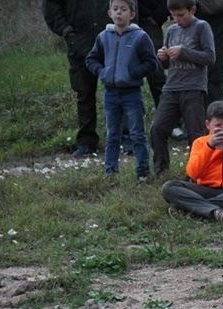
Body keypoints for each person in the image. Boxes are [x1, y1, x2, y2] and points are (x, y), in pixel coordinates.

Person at [85, 0, 160, 180]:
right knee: (112, 134)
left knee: (137, 134)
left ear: (131, 14)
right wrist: (102, 72)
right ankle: (110, 172)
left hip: (131, 94)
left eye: (124, 10)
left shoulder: (140, 37)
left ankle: (142, 173)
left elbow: (152, 63)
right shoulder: (103, 37)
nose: (119, 13)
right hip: (110, 93)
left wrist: (134, 73)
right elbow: (91, 59)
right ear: (109, 12)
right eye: (115, 9)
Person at [149, 0, 215, 176]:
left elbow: (210, 57)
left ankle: (195, 172)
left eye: (181, 15)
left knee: (195, 133)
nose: (177, 19)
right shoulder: (171, 30)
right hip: (171, 87)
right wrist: (162, 56)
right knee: (158, 128)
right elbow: (167, 63)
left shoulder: (202, 27)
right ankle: (161, 170)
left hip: (193, 87)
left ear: (192, 10)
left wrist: (183, 52)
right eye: (173, 16)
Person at [42, 0, 111, 157]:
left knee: (119, 88)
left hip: (111, 36)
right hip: (79, 40)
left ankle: (124, 137)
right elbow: (51, 8)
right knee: (84, 92)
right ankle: (86, 141)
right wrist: (66, 31)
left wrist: (126, 28)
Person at [196, 0, 223, 105]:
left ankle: (215, 111)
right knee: (190, 65)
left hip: (220, 17)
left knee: (214, 66)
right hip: (193, 13)